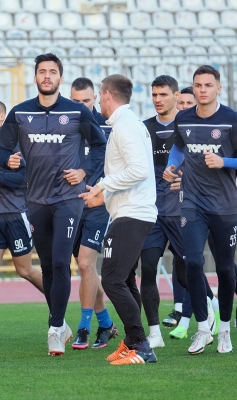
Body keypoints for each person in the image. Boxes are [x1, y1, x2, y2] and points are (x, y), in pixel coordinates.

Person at [0, 53, 106, 356]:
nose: (47, 76)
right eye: (42, 72)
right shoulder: (19, 113)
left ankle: (55, 328)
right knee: (47, 266)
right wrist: (10, 158)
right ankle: (61, 324)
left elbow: (100, 145)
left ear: (61, 77)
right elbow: (1, 147)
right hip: (35, 200)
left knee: (61, 262)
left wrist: (84, 171)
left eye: (53, 72)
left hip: (68, 200)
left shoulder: (76, 112)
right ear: (35, 78)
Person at [163, 65, 237, 355]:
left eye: (207, 85)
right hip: (191, 202)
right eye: (198, 85)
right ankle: (204, 327)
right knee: (191, 262)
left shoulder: (231, 120)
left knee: (225, 268)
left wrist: (224, 162)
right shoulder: (184, 117)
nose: (202, 90)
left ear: (218, 88)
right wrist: (172, 164)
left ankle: (225, 331)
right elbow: (179, 147)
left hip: (224, 206)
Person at [79, 74, 158, 365]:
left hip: (133, 213)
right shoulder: (127, 125)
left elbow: (138, 171)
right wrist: (105, 195)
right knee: (124, 279)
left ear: (108, 94)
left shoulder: (125, 127)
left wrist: (103, 185)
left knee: (111, 279)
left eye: (100, 95)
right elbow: (133, 172)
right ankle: (131, 341)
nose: (98, 101)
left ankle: (141, 345)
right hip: (129, 211)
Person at [0, 99, 45, 340]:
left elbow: (24, 180)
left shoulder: (13, 141)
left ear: (2, 117)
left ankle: (59, 309)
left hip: (15, 214)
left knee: (25, 270)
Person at [137, 75, 187, 348]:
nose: (158, 100)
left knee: (186, 271)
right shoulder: (144, 129)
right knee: (148, 269)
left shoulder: (189, 127)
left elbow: (205, 163)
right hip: (152, 212)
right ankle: (154, 333)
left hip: (183, 210)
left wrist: (186, 179)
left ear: (176, 96)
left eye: (163, 95)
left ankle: (208, 310)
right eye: (154, 95)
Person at [67, 78, 117, 350]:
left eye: (85, 101)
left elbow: (119, 168)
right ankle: (107, 323)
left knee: (87, 265)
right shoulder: (63, 126)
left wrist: (104, 195)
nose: (81, 106)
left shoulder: (109, 128)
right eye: (75, 102)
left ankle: (84, 327)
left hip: (98, 205)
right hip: (69, 206)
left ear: (95, 99)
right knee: (84, 270)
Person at [162, 86, 196, 329]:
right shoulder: (179, 132)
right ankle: (182, 312)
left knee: (223, 264)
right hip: (175, 207)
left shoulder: (207, 130)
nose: (183, 108)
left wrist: (188, 181)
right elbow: (175, 156)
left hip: (207, 206)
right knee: (181, 260)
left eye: (187, 103)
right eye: (180, 103)